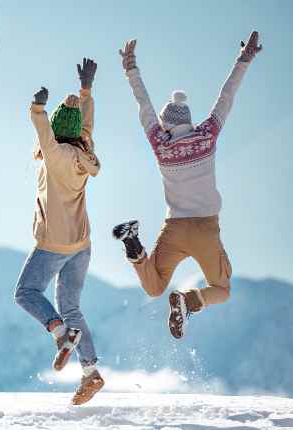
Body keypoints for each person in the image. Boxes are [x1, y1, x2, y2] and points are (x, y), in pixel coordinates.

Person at [113, 32, 263, 339]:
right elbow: (226, 98)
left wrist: (131, 69)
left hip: (175, 228)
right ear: (188, 121)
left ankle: (132, 243)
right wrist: (243, 60)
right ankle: (190, 301)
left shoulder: (161, 144)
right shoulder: (206, 135)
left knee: (154, 286)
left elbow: (144, 106)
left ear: (166, 124)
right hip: (206, 228)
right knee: (221, 289)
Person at [14, 59, 103, 405]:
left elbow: (42, 132)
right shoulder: (85, 151)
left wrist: (37, 107)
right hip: (82, 244)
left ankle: (60, 333)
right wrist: (86, 91)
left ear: (55, 129)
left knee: (25, 292)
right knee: (72, 307)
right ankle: (90, 373)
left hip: (54, 243)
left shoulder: (53, 154)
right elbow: (87, 126)